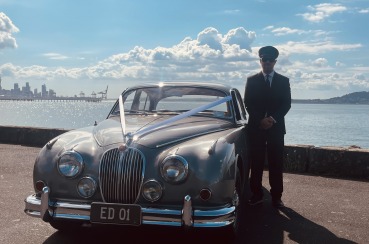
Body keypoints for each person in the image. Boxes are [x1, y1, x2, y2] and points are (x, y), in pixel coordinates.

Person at [244, 46, 291, 208]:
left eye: (271, 60)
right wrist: (260, 120)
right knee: (256, 163)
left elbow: (286, 104)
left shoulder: (284, 81)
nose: (268, 62)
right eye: (265, 59)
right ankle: (256, 194)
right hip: (256, 128)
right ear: (260, 61)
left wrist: (272, 119)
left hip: (276, 128)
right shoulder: (252, 80)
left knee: (276, 163)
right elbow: (248, 103)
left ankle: (276, 196)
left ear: (275, 62)